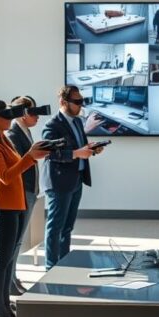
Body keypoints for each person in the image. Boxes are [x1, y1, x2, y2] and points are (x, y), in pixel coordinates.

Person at [0, 99, 51, 317]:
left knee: (7, 261)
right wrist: (30, 157)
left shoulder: (3, 140)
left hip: (13, 205)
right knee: (1, 262)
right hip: (1, 207)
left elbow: (14, 171)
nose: (10, 118)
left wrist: (31, 156)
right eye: (5, 115)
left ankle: (4, 308)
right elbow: (5, 177)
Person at [41, 85, 105, 270]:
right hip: (59, 182)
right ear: (63, 102)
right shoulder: (52, 125)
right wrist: (77, 153)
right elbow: (49, 153)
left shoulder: (77, 122)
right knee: (55, 227)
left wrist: (92, 149)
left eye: (82, 101)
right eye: (77, 102)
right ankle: (51, 267)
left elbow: (79, 146)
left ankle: (64, 263)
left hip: (76, 179)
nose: (81, 105)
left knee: (67, 227)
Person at [5, 96, 46, 295]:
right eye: (34, 112)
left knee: (18, 240)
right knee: (15, 240)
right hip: (22, 191)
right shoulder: (13, 134)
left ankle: (12, 278)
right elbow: (18, 165)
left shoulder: (24, 131)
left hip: (29, 190)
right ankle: (9, 282)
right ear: (23, 114)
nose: (38, 117)